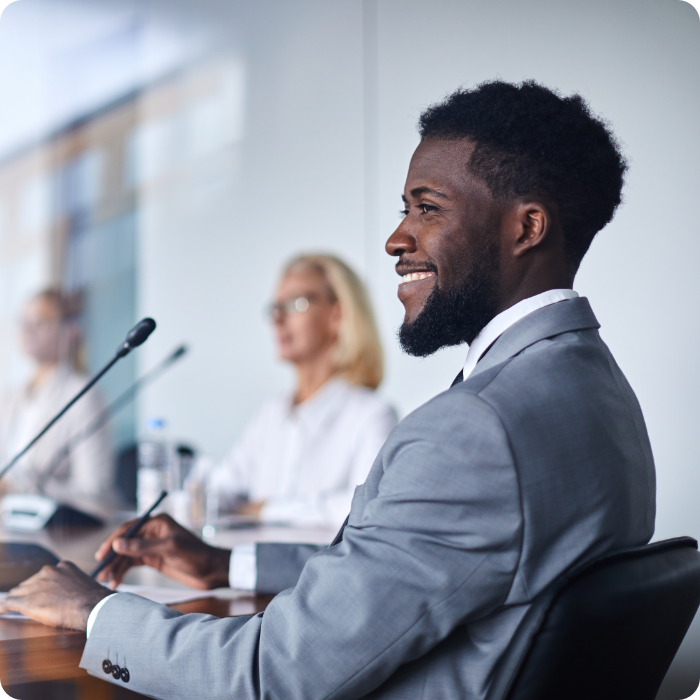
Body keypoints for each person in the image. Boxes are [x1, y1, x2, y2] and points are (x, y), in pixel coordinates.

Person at [0, 80, 655, 700]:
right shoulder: (597, 390)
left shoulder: (475, 428)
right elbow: (403, 565)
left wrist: (98, 613)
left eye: (427, 208)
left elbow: (274, 677)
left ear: (526, 227)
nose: (397, 239)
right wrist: (224, 567)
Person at [205, 254, 397, 528]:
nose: (278, 319)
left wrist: (265, 510)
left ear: (336, 314)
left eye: (296, 303)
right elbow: (221, 488)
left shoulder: (372, 415)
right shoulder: (271, 413)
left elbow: (367, 509)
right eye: (275, 307)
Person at [0, 289, 113, 508]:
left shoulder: (83, 396)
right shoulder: (12, 397)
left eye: (41, 322)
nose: (27, 330)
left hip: (58, 533)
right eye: (24, 321)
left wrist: (18, 489)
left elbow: (94, 489)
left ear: (69, 331)